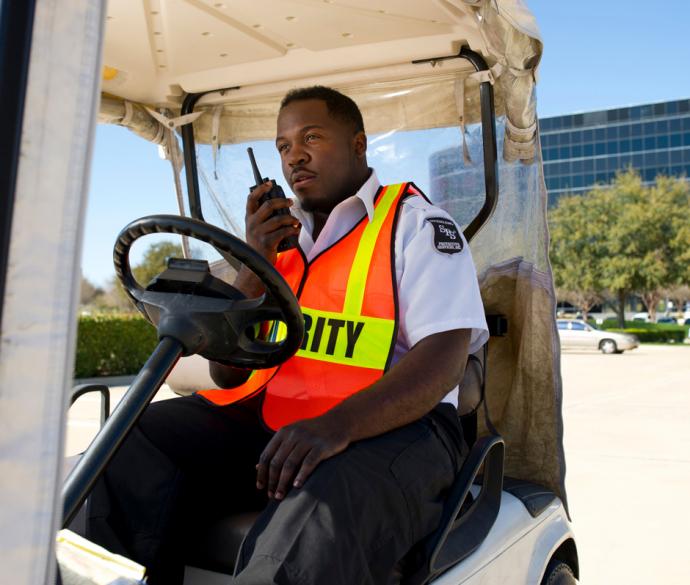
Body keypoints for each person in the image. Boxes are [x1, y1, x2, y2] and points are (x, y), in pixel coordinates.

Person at [86, 86, 488, 585]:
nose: (294, 155)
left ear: (359, 144)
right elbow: (225, 372)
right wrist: (254, 265)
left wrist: (336, 426)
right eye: (282, 146)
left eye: (311, 137)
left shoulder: (416, 226)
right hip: (283, 423)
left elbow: (444, 360)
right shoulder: (277, 242)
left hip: (399, 429)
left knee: (320, 509)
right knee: (129, 439)